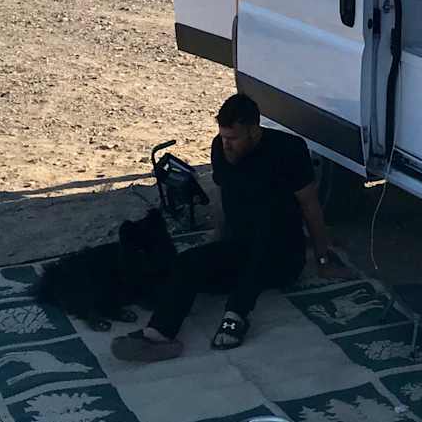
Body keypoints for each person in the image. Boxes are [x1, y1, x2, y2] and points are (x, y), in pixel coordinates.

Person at [111, 93, 344, 362]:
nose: (226, 145)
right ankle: (157, 336)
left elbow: (310, 205)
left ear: (254, 132)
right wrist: (216, 242)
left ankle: (236, 316)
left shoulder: (289, 149)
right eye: (223, 137)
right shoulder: (219, 149)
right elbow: (225, 198)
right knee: (188, 263)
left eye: (233, 139)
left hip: (281, 257)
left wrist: (323, 259)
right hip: (239, 247)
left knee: (264, 232)